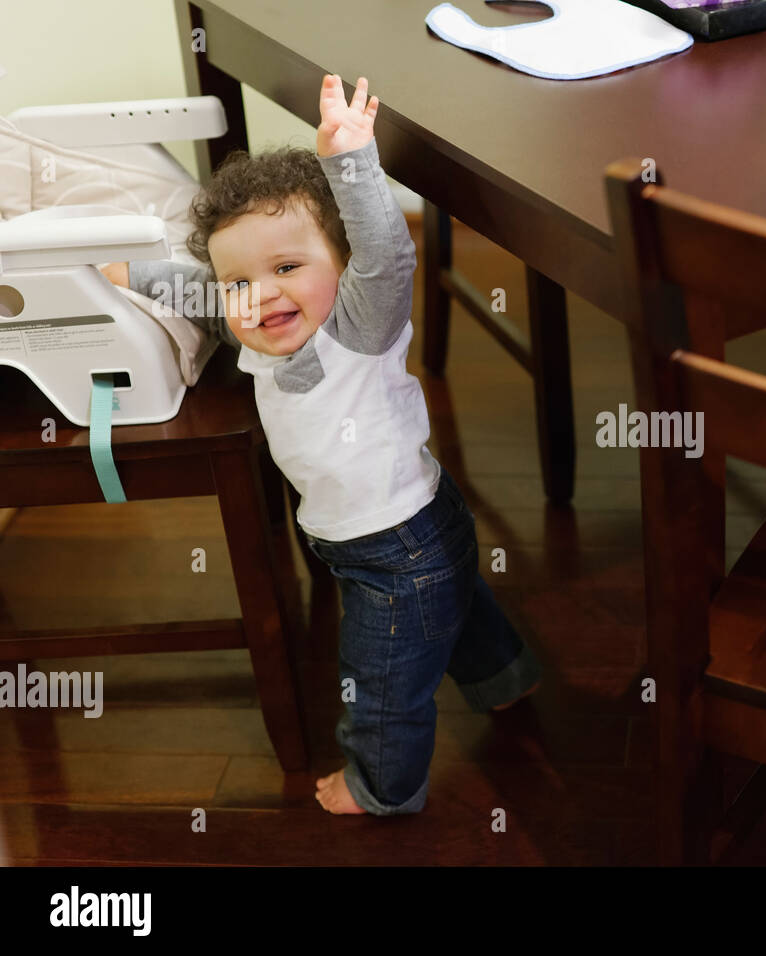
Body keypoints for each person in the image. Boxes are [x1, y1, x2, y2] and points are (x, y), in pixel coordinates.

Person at [102, 74, 540, 816]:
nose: (261, 295)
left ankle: (380, 789)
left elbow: (388, 257)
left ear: (343, 264)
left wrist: (351, 163)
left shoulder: (358, 328)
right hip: (408, 533)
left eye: (287, 268)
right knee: (460, 607)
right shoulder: (255, 331)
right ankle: (505, 679)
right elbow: (202, 294)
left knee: (380, 682)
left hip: (397, 552)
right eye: (241, 280)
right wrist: (127, 275)